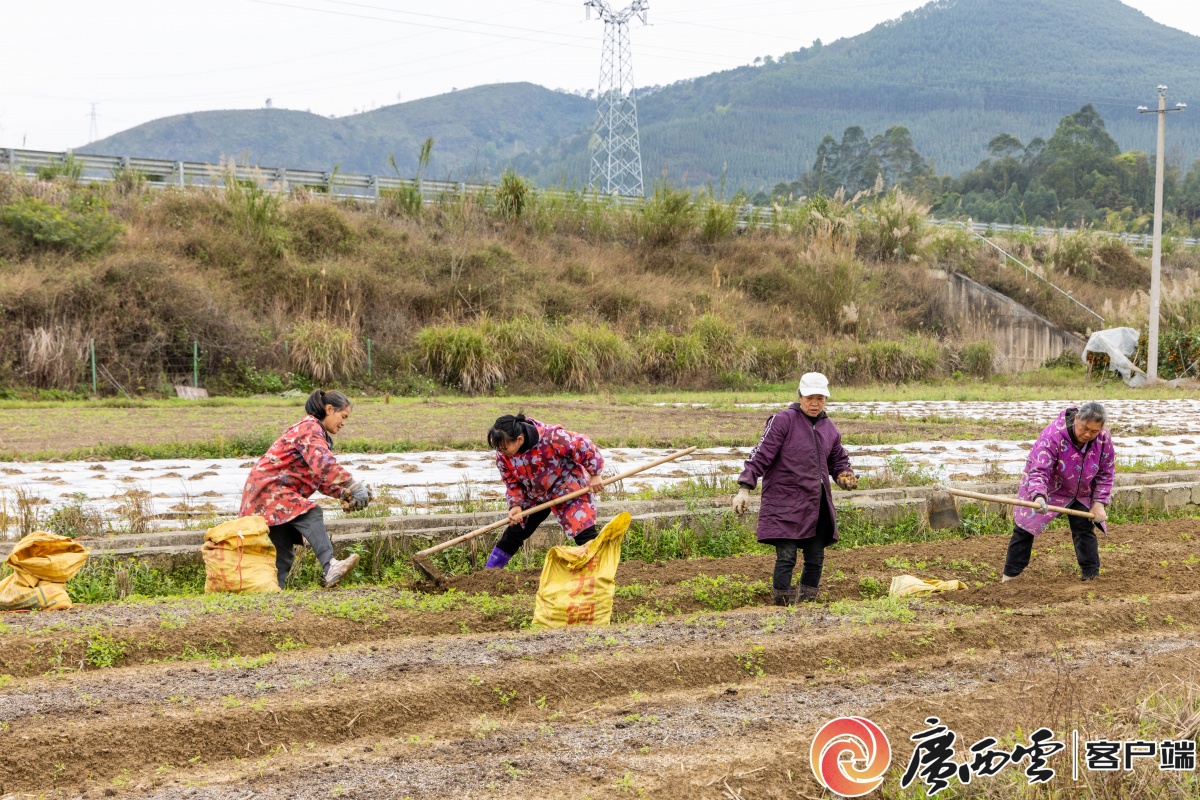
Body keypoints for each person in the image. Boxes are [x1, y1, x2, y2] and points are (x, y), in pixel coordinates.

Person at [733, 372, 857, 605]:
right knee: (787, 557)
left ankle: (806, 604)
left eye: (820, 398)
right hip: (785, 501)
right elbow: (760, 455)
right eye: (810, 398)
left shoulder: (830, 428)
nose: (815, 403)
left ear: (826, 399)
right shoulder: (783, 421)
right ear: (800, 396)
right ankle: (782, 607)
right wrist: (744, 488)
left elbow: (838, 461)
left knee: (815, 558)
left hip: (815, 503)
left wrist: (844, 475)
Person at [239, 389, 367, 589]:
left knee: (283, 552)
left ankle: (271, 593)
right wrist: (353, 484)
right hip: (269, 490)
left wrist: (344, 493)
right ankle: (330, 566)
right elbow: (324, 464)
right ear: (329, 409)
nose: (343, 423)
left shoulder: (314, 432)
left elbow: (319, 476)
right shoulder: (310, 428)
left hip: (267, 492)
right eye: (343, 416)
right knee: (311, 513)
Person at [1003, 401, 1114, 583]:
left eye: (1094, 431)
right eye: (1085, 428)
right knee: (1025, 528)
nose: (1088, 435)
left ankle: (1091, 577)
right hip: (1049, 487)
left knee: (1084, 527)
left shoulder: (1103, 439)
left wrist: (1099, 503)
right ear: (1076, 419)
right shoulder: (1053, 434)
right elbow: (1039, 470)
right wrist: (1038, 496)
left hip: (1080, 490)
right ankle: (1009, 578)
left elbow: (1106, 473)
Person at [484, 413, 605, 569]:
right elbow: (511, 482)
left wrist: (595, 474)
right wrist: (515, 505)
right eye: (498, 448)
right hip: (534, 494)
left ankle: (599, 570)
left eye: (504, 448)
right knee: (515, 530)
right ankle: (489, 573)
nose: (501, 452)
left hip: (566, 487)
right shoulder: (503, 456)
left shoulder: (552, 438)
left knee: (584, 531)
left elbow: (584, 445)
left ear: (519, 440)